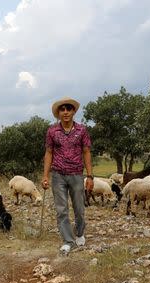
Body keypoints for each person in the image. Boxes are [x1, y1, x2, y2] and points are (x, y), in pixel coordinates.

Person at [42, 96, 94, 255]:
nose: (65, 112)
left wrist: (90, 176)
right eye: (62, 109)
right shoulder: (52, 131)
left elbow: (86, 151)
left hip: (77, 175)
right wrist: (45, 175)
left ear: (73, 111)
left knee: (79, 208)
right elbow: (49, 152)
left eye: (68, 109)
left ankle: (79, 233)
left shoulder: (82, 130)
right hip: (58, 175)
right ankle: (68, 241)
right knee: (61, 210)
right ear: (58, 113)